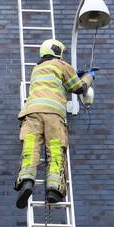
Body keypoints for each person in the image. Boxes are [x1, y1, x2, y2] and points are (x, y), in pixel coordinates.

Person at [14, 39, 95, 209]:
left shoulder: (36, 69)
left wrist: (71, 74)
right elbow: (78, 87)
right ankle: (54, 189)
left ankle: (26, 182)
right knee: (56, 149)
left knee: (30, 148)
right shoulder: (61, 64)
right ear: (58, 51)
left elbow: (53, 82)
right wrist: (88, 77)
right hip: (53, 115)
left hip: (31, 114)